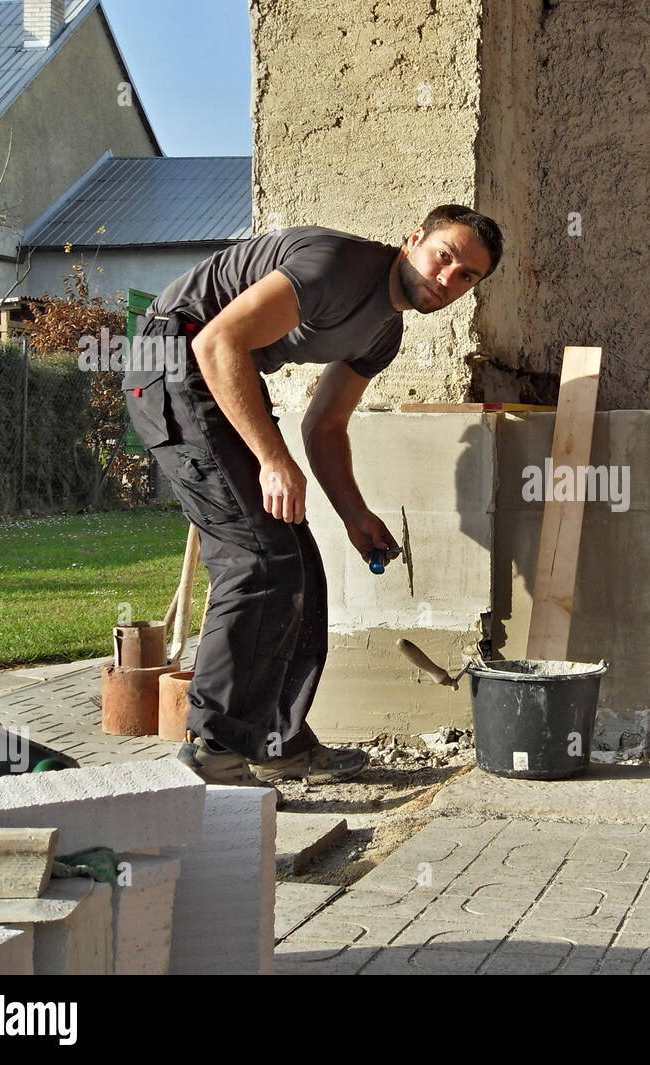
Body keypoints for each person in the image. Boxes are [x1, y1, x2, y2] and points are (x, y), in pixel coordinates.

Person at [123, 204, 504, 788]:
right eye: (443, 256)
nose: (446, 278)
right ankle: (216, 748)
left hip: (213, 375)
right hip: (172, 359)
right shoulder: (337, 266)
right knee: (258, 559)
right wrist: (273, 461)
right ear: (414, 239)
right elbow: (219, 342)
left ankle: (278, 740)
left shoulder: (383, 335)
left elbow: (324, 428)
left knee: (298, 564)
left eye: (466, 276)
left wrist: (355, 514)